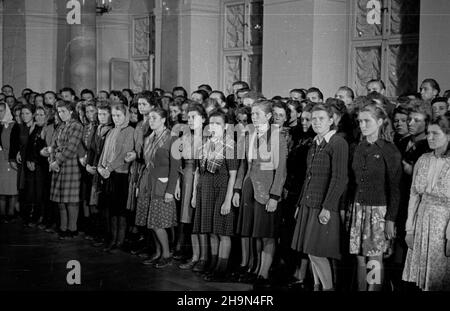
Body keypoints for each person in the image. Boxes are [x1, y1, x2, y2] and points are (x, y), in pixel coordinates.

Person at [291, 103, 348, 291]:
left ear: (331, 120)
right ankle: (317, 286)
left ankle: (327, 288)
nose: (316, 122)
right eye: (313, 118)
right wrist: (300, 203)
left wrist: (327, 207)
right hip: (309, 203)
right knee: (310, 251)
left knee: (317, 252)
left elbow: (339, 179)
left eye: (321, 118)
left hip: (323, 205)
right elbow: (309, 176)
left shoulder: (338, 143)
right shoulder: (315, 142)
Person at [233, 99, 288, 289]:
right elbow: (243, 166)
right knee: (255, 233)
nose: (253, 117)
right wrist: (238, 189)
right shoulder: (250, 135)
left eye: (257, 114)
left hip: (267, 191)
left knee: (267, 234)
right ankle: (255, 268)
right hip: (250, 188)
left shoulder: (277, 136)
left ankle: (264, 273)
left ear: (268, 116)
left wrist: (274, 196)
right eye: (252, 114)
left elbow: (281, 170)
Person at [348, 101, 402, 291]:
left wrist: (390, 220)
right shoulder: (358, 147)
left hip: (379, 210)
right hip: (358, 208)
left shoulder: (389, 150)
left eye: (367, 121)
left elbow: (395, 188)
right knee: (360, 257)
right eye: (360, 121)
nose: (362, 125)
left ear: (380, 122)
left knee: (374, 259)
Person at [402, 113, 450, 291]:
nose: (429, 137)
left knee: (440, 277)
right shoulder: (423, 160)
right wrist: (410, 229)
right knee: (422, 280)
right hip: (422, 222)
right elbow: (414, 195)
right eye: (428, 133)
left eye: (435, 133)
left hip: (443, 225)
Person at [192, 109, 238, 281]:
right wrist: (195, 195)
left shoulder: (230, 145)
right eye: (211, 123)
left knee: (223, 232)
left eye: (218, 123)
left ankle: (221, 268)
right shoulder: (205, 144)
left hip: (221, 189)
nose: (214, 126)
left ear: (225, 126)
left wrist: (227, 200)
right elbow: (198, 171)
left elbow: (233, 174)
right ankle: (212, 264)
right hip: (205, 190)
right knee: (211, 231)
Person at [143, 108, 180, 268]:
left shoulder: (173, 138)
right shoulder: (149, 138)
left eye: (154, 118)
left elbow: (175, 168)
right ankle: (157, 253)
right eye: (149, 118)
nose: (151, 121)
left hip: (164, 185)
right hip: (149, 184)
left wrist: (170, 191)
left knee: (158, 224)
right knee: (151, 223)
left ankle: (166, 254)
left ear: (164, 120)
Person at [97, 103, 134, 252]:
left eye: (119, 115)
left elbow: (124, 154)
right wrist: (100, 167)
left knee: (120, 210)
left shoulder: (129, 130)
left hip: (121, 174)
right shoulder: (111, 131)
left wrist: (108, 168)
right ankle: (112, 239)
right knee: (111, 208)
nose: (116, 118)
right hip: (108, 173)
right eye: (114, 115)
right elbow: (104, 151)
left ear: (126, 116)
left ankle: (120, 241)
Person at [49, 100, 83, 239]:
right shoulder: (60, 126)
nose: (61, 114)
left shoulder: (76, 126)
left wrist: (57, 160)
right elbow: (53, 145)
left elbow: (71, 147)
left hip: (70, 165)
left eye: (64, 111)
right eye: (59, 111)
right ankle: (63, 227)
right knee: (60, 200)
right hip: (58, 165)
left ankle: (72, 228)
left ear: (71, 111)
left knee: (71, 200)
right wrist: (52, 160)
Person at [23, 106, 50, 228]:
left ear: (46, 116)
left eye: (41, 115)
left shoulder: (48, 129)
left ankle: (42, 218)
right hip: (32, 164)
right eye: (37, 115)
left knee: (40, 193)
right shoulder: (33, 127)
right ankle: (32, 216)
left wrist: (35, 161)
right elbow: (29, 146)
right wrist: (29, 160)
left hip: (42, 165)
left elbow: (46, 150)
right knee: (31, 192)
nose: (38, 117)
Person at [0, 102, 18, 223]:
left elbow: (14, 144)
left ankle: (11, 212)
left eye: (1, 110)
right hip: (0, 158)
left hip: (10, 158)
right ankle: (1, 214)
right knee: (1, 189)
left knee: (12, 188)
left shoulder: (13, 125)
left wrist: (11, 159)